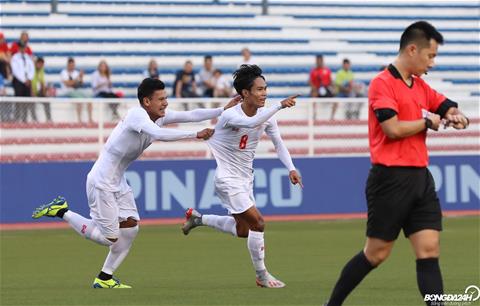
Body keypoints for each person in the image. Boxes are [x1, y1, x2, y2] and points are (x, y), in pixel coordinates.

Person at [32, 77, 241, 289]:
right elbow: (158, 134)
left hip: (118, 180)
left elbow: (190, 115)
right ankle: (62, 211)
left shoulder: (158, 116)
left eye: (166, 98)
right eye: (161, 99)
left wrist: (221, 109)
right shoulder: (137, 115)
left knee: (130, 228)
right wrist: (195, 134)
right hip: (101, 181)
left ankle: (104, 278)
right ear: (146, 101)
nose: (166, 103)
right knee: (109, 238)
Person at [324, 21, 470, 306]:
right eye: (431, 56)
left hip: (420, 179)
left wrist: (456, 116)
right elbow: (392, 129)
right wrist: (427, 120)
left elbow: (445, 105)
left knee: (429, 250)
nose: (433, 62)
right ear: (412, 49)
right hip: (389, 180)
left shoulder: (420, 85)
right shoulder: (382, 83)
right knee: (376, 254)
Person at [182, 65, 302, 288]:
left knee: (243, 230)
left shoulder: (267, 116)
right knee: (258, 223)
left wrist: (291, 168)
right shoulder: (230, 115)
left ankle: (198, 218)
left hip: (246, 179)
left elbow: (278, 144)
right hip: (227, 179)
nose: (264, 93)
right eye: (259, 89)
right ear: (245, 93)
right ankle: (262, 275)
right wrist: (278, 105)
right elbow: (250, 123)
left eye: (265, 88)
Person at [60, 57, 92, 123]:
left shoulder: (76, 72)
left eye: (73, 65)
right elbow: (68, 84)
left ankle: (90, 118)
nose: (72, 67)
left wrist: (81, 77)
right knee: (79, 99)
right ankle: (79, 119)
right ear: (68, 65)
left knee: (89, 97)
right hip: (67, 91)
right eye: (71, 65)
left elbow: (80, 84)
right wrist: (77, 78)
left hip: (76, 90)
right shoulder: (64, 73)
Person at [11, 41, 35, 122]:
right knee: (18, 99)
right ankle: (17, 118)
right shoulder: (15, 57)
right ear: (19, 48)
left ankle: (24, 118)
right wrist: (24, 80)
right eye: (21, 47)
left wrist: (29, 78)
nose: (23, 49)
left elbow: (32, 69)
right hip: (19, 81)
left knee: (26, 100)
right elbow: (15, 71)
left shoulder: (28, 57)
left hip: (27, 81)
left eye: (24, 47)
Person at [309, 54, 335, 120]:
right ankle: (314, 114)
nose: (319, 62)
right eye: (317, 61)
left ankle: (332, 117)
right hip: (317, 89)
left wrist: (333, 87)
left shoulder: (327, 70)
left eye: (320, 61)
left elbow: (331, 81)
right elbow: (310, 81)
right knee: (313, 94)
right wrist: (313, 87)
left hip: (326, 88)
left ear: (322, 61)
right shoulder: (313, 71)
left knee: (336, 100)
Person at [31, 57, 51, 122]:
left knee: (47, 101)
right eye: (40, 64)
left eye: (42, 64)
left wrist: (44, 92)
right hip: (31, 90)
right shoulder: (31, 69)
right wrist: (32, 91)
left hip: (38, 91)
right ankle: (34, 119)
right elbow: (30, 81)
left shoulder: (41, 70)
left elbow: (42, 82)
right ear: (36, 63)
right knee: (31, 102)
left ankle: (48, 119)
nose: (41, 65)